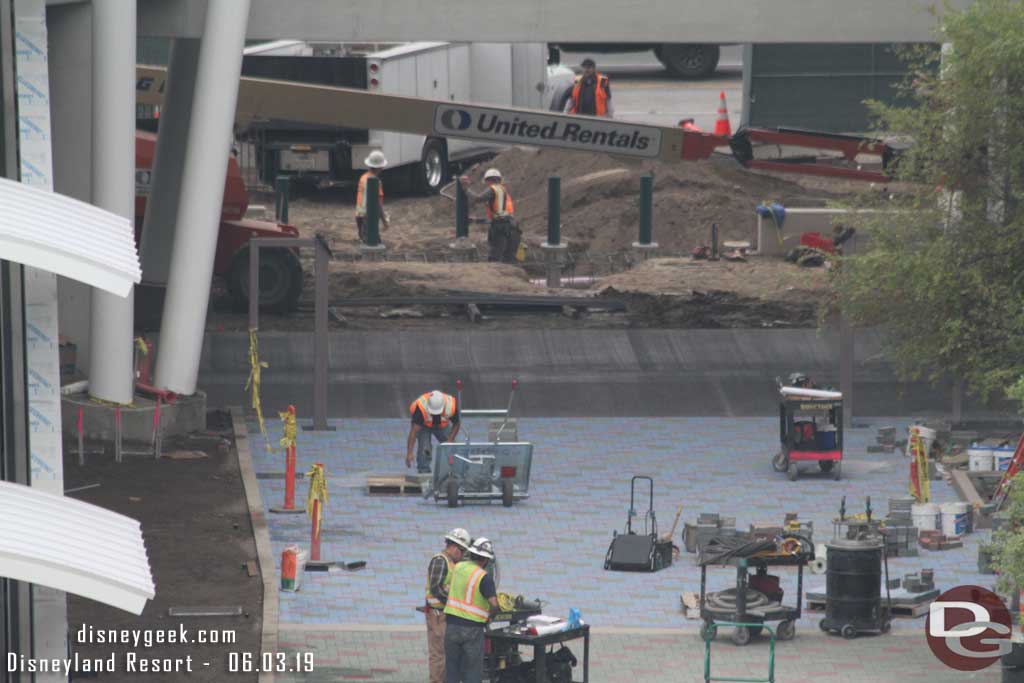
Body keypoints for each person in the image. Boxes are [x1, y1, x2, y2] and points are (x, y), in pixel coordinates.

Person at [444, 538, 499, 683]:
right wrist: (490, 618)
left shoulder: (458, 567)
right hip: (472, 630)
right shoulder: (484, 577)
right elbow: (494, 604)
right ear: (486, 560)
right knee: (472, 673)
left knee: (452, 670)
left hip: (451, 626)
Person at [426, 528, 471, 683]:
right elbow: (436, 587)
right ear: (453, 546)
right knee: (439, 655)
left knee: (446, 654)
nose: (463, 554)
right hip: (438, 615)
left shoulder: (452, 563)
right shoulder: (440, 560)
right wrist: (455, 603)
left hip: (444, 614)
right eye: (462, 550)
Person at [459, 168, 520, 263]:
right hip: (512, 227)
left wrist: (466, 189)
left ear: (488, 180)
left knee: (495, 255)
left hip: (501, 227)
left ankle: (493, 273)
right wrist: (477, 220)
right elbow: (499, 216)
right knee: (509, 257)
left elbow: (478, 199)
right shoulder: (503, 192)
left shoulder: (493, 189)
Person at [407, 390, 461, 473]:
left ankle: (456, 469)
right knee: (425, 447)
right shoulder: (421, 408)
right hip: (423, 426)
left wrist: (450, 440)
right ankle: (424, 470)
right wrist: (409, 453)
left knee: (452, 446)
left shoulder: (450, 405)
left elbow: (456, 423)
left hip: (442, 425)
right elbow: (413, 431)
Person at [356, 150, 390, 243]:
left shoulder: (363, 177)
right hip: (369, 216)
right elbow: (378, 203)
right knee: (373, 243)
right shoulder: (375, 182)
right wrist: (384, 220)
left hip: (360, 215)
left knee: (365, 240)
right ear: (381, 167)